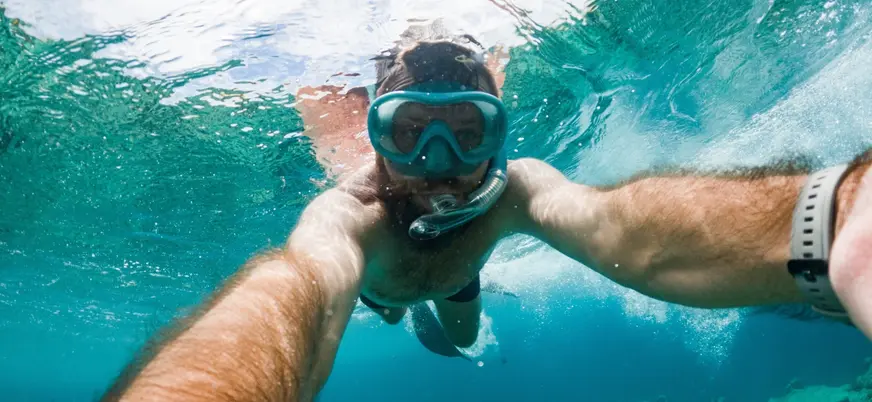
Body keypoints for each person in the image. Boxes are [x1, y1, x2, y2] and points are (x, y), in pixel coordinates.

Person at [101, 29, 872, 402]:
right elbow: (293, 290)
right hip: (375, 279)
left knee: (460, 339)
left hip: (456, 281)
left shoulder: (516, 190)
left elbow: (625, 230)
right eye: (411, 133)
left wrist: (831, 217)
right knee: (387, 311)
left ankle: (451, 311)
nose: (438, 162)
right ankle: (405, 308)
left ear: (499, 132)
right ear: (376, 132)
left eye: (467, 133)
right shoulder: (349, 213)